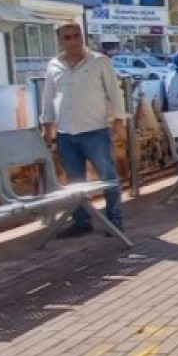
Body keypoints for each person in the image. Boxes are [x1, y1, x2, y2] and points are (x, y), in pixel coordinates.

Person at [39, 22, 127, 235]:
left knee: (108, 177)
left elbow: (114, 93)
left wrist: (118, 121)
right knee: (75, 181)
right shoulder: (54, 66)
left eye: (76, 36)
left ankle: (114, 220)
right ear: (60, 41)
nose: (73, 41)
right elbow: (49, 97)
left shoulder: (99, 62)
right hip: (66, 133)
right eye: (67, 37)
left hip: (95, 130)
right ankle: (82, 222)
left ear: (83, 37)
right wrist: (47, 125)